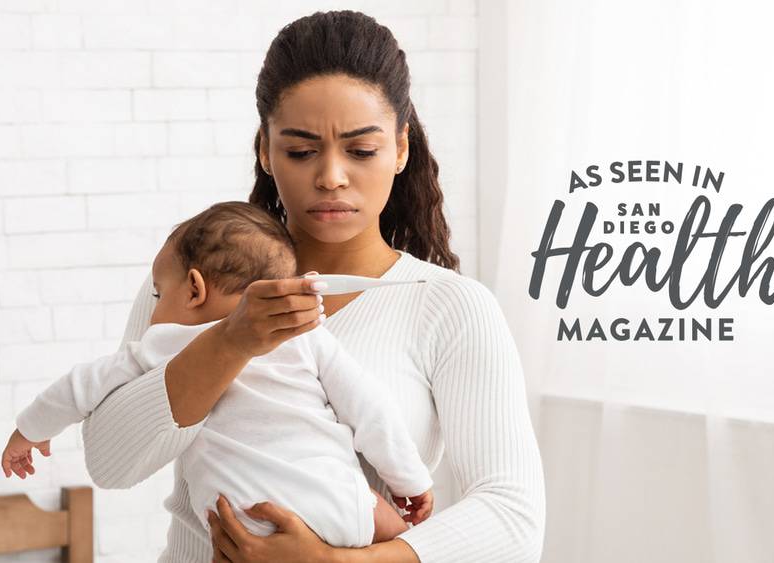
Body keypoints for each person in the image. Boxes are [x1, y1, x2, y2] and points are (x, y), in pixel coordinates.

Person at [80, 9, 546, 563]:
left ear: (400, 149)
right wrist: (231, 340)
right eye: (301, 151)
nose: (330, 176)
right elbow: (110, 462)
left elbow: (513, 518)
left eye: (361, 150)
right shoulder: (192, 281)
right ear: (265, 149)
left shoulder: (449, 307)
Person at [0, 201, 434, 547]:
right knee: (395, 530)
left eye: (158, 292)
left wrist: (30, 429)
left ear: (194, 288)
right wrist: (409, 481)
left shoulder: (161, 345)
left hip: (240, 523)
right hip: (340, 502)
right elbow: (371, 409)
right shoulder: (306, 335)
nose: (153, 304)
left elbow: (80, 387)